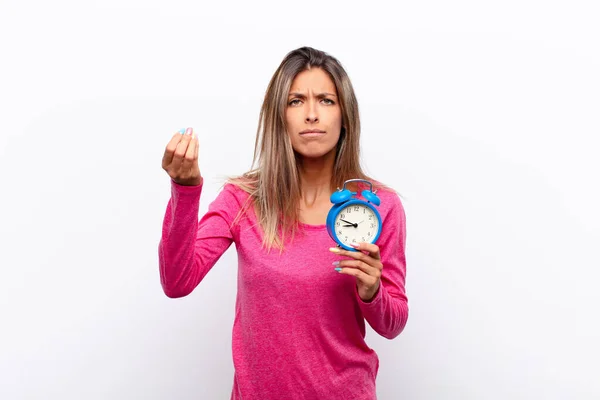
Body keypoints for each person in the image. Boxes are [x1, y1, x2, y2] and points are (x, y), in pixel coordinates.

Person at [158, 46, 409, 400]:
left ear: (345, 115)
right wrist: (185, 190)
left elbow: (394, 322)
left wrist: (372, 293)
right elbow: (177, 281)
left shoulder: (380, 206)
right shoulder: (241, 199)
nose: (311, 114)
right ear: (279, 116)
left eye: (325, 100)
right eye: (295, 101)